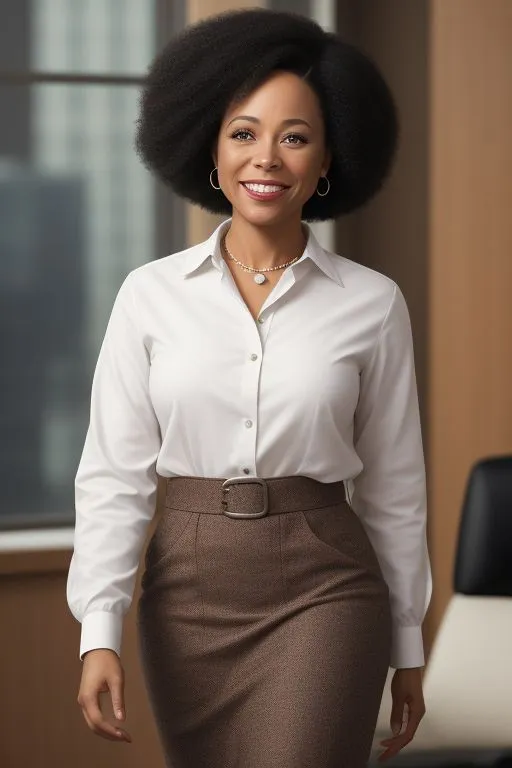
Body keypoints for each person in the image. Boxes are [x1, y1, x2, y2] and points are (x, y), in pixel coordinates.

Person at [66, 7, 432, 767]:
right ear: (210, 144)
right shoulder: (148, 295)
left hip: (325, 584)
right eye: (243, 132)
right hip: (188, 594)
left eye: (295, 137)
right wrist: (98, 630)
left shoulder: (373, 302)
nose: (266, 158)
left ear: (329, 159)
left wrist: (407, 640)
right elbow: (114, 474)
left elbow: (397, 489)